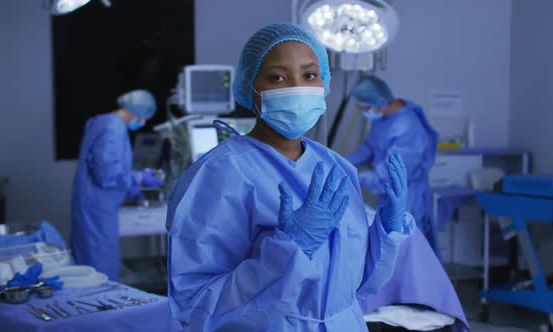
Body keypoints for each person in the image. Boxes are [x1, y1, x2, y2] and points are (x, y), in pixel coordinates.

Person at [166, 23, 415, 331]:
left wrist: (386, 235)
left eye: (309, 75)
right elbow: (197, 303)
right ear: (250, 86)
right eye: (278, 77)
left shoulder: (335, 167)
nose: (296, 87)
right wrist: (289, 250)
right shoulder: (221, 174)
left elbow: (356, 287)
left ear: (323, 82)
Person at [70, 89, 163, 281]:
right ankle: (103, 308)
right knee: (102, 269)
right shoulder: (114, 127)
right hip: (98, 207)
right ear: (139, 112)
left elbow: (111, 165)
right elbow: (107, 175)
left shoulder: (101, 122)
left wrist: (133, 191)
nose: (144, 122)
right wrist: (139, 178)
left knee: (90, 262)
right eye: (145, 117)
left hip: (92, 204)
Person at [346, 76, 440, 256]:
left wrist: (354, 174)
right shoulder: (382, 120)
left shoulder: (407, 127)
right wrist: (340, 162)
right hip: (388, 198)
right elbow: (368, 149)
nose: (365, 113)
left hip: (407, 200)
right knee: (388, 253)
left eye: (365, 108)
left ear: (380, 101)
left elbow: (390, 177)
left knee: (407, 256)